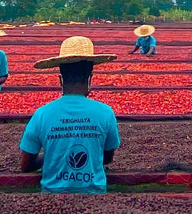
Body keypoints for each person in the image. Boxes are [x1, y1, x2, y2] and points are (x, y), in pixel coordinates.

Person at [18, 36, 121, 193]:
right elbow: (107, 158)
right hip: (95, 200)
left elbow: (25, 165)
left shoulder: (41, 114)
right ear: (90, 79)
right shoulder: (105, 113)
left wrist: (53, 156)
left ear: (60, 80)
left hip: (51, 201)